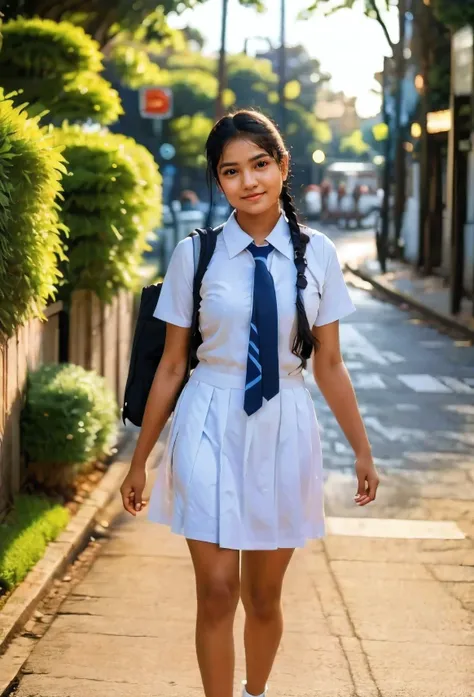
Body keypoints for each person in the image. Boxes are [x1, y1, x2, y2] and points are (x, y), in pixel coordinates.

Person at [120, 109, 379, 697]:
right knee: (216, 591)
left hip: (284, 424)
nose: (249, 181)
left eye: (260, 165)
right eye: (231, 171)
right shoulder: (197, 254)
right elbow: (171, 364)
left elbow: (331, 365)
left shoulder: (319, 255)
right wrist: (141, 460)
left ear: (283, 167)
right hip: (207, 419)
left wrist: (363, 450)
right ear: (219, 182)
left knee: (264, 597)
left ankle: (255, 693)